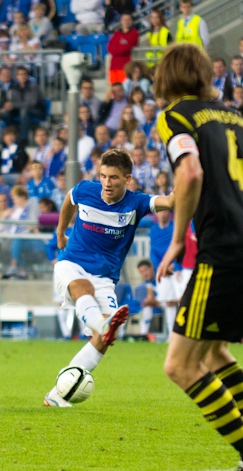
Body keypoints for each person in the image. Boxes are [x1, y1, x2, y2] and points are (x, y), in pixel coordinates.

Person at [154, 44, 243, 471]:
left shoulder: (176, 116)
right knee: (212, 354)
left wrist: (177, 240)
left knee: (179, 365)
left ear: (166, 78)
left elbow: (189, 173)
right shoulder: (236, 119)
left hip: (223, 252)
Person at [44, 148, 175, 407]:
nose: (106, 183)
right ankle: (99, 321)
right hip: (72, 265)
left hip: (105, 278)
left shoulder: (137, 202)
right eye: (103, 176)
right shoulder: (86, 190)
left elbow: (170, 202)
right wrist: (61, 233)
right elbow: (70, 198)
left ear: (127, 179)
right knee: (83, 289)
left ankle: (59, 392)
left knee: (103, 339)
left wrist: (190, 177)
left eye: (113, 177)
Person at [107, 13, 139, 84]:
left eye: (128, 19)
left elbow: (126, 48)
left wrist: (117, 48)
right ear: (121, 21)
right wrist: (120, 46)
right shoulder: (116, 33)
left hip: (125, 67)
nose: (126, 21)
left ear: (132, 21)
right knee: (114, 89)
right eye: (124, 19)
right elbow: (109, 48)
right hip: (113, 67)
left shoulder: (134, 33)